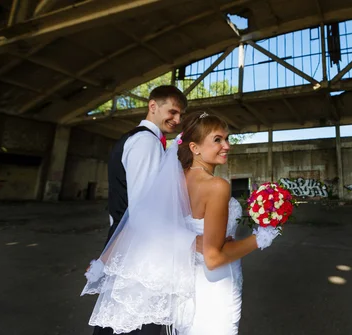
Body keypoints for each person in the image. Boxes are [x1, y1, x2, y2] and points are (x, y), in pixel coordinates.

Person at [89, 85, 187, 335]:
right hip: (137, 248)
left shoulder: (139, 139)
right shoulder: (146, 142)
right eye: (173, 112)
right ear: (153, 106)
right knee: (136, 322)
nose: (177, 120)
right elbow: (145, 211)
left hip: (127, 240)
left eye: (180, 115)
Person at [178, 111, 281, 335]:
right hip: (216, 285)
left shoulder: (177, 179)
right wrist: (261, 238)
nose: (227, 146)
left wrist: (194, 240)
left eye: (227, 139)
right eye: (217, 140)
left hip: (185, 283)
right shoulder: (216, 186)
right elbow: (213, 258)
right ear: (194, 148)